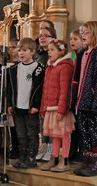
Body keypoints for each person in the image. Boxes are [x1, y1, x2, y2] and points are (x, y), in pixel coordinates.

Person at [71, 21, 97, 176]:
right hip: (82, 100)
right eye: (81, 32)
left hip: (94, 101)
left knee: (94, 132)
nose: (82, 35)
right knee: (84, 132)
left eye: (85, 32)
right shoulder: (82, 53)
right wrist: (74, 100)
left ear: (95, 33)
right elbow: (77, 79)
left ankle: (95, 164)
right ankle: (87, 162)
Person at [7, 38, 45, 169]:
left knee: (31, 134)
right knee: (20, 135)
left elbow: (39, 89)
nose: (21, 53)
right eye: (19, 50)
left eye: (25, 50)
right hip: (17, 107)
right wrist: (9, 104)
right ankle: (22, 156)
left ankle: (31, 158)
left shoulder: (38, 69)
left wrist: (36, 105)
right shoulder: (14, 69)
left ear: (33, 51)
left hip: (30, 108)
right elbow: (10, 89)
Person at [39, 39, 75, 172]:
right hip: (50, 107)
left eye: (52, 49)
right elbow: (45, 89)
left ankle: (64, 160)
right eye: (48, 50)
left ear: (61, 51)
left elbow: (65, 90)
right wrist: (43, 107)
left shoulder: (65, 66)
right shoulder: (50, 67)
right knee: (54, 134)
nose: (49, 52)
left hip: (60, 108)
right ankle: (53, 159)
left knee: (64, 134)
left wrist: (61, 109)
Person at [35, 26, 57, 162]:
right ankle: (43, 146)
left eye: (45, 35)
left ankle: (51, 148)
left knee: (51, 124)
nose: (42, 38)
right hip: (40, 94)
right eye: (40, 35)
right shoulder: (37, 55)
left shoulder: (54, 56)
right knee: (42, 124)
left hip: (51, 94)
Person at [69, 29, 84, 162]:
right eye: (71, 39)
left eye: (75, 39)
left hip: (79, 93)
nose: (72, 41)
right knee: (73, 125)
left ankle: (80, 150)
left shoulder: (83, 54)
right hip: (71, 93)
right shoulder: (70, 56)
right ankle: (72, 150)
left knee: (79, 124)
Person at [8, 38, 20, 159]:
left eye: (14, 47)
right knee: (12, 127)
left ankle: (19, 149)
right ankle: (14, 147)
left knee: (19, 128)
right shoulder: (10, 64)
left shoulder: (21, 65)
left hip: (20, 99)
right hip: (12, 99)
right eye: (10, 47)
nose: (11, 49)